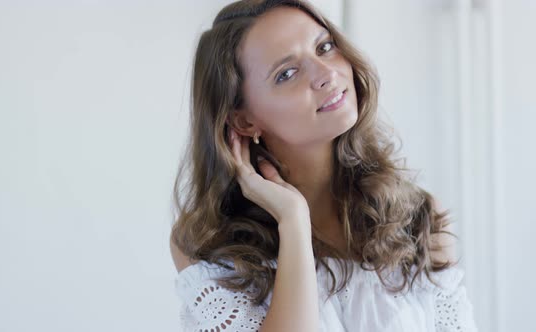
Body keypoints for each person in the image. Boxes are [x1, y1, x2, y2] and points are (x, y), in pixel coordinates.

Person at [169, 0, 478, 331]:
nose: (326, 74)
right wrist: (293, 221)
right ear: (243, 121)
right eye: (287, 73)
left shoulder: (418, 218)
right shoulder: (209, 244)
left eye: (325, 47)